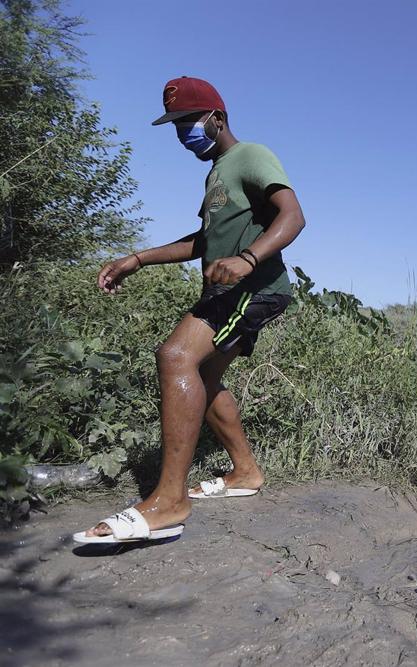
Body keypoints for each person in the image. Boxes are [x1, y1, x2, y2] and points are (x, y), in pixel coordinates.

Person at [75, 77, 306, 544]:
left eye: (188, 123)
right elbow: (201, 241)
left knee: (176, 356)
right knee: (202, 376)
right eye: (176, 126)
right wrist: (136, 259)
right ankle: (245, 472)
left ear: (217, 118)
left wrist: (246, 259)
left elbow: (293, 215)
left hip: (253, 287)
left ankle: (168, 502)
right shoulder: (217, 172)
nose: (183, 135)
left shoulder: (251, 155)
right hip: (230, 290)